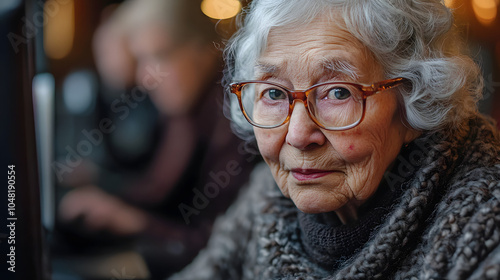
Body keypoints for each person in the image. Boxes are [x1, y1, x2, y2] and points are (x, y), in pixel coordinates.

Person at [171, 0, 500, 279]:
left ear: (415, 97)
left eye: (338, 92)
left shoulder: (484, 226)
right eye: (273, 92)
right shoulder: (265, 200)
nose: (299, 136)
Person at [57, 0, 256, 278]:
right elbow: (155, 189)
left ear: (203, 50)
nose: (145, 78)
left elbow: (225, 250)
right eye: (141, 60)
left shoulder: (236, 118)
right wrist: (100, 182)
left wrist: (132, 221)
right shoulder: (184, 114)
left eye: (160, 56)